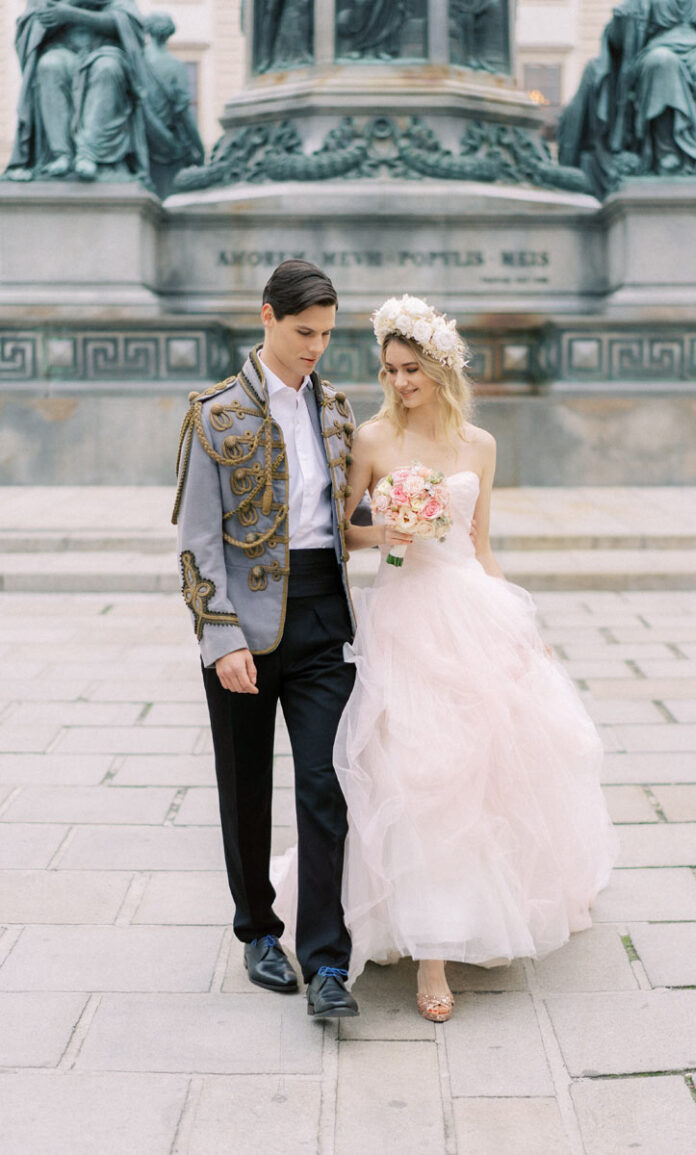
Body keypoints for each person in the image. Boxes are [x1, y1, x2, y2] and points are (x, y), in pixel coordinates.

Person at [280, 295, 618, 1022]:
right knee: (417, 771)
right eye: (390, 369)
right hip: (403, 616)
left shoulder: (480, 445)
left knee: (487, 766)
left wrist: (520, 622)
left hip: (470, 609)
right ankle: (430, 953)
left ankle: (495, 902)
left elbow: (481, 544)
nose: (400, 382)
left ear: (440, 369)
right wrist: (386, 528)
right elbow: (341, 530)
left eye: (412, 369)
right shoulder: (373, 438)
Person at [172, 260, 365, 1019]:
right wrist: (221, 638)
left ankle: (327, 961)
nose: (316, 346)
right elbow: (196, 542)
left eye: (327, 334)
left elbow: (347, 519)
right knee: (246, 785)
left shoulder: (337, 409)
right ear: (267, 317)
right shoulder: (215, 414)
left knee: (325, 783)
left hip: (323, 622)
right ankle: (257, 930)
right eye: (304, 331)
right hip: (244, 627)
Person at [558, 0, 696, 197]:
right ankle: (666, 153)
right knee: (662, 63)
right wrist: (622, 22)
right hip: (658, 47)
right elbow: (618, 37)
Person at [6, 0, 151, 183]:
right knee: (49, 66)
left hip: (104, 51)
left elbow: (126, 23)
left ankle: (89, 153)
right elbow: (32, 28)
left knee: (107, 68)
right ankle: (61, 154)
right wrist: (71, 4)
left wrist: (74, 15)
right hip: (61, 50)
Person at [143, 13, 204, 198]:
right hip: (167, 145)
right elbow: (184, 114)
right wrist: (199, 148)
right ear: (170, 33)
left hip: (139, 142)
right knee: (168, 200)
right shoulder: (176, 66)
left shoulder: (138, 60)